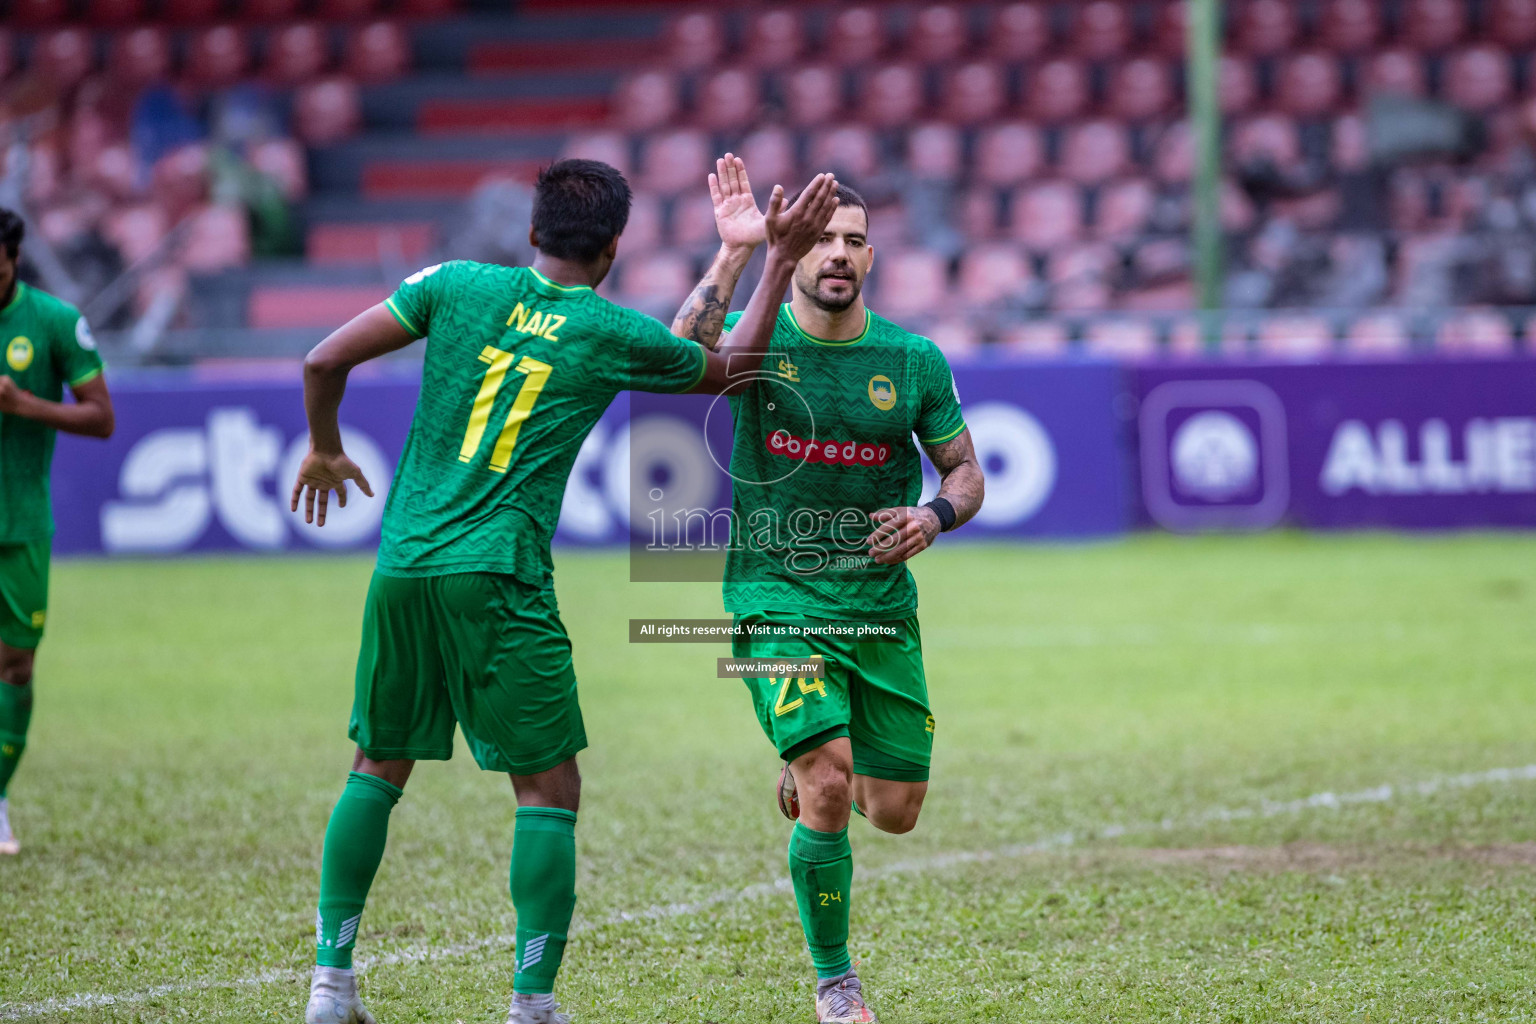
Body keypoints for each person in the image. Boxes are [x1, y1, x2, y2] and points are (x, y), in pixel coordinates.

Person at [290, 158, 840, 1024]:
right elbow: (730, 368)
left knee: (375, 767)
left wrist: (323, 446)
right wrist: (774, 260)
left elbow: (323, 359)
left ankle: (330, 985)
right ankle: (533, 1004)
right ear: (614, 247)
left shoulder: (451, 284)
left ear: (533, 232)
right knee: (547, 792)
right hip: (499, 572)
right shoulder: (605, 331)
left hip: (402, 567)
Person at [670, 159, 985, 1024]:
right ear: (797, 251)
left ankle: (805, 766)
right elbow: (685, 353)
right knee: (833, 787)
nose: (837, 254)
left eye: (853, 241)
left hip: (880, 610)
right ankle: (836, 985)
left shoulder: (913, 360)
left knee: (895, 811)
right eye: (821, 241)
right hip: (775, 598)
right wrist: (737, 253)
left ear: (871, 259)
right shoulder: (756, 337)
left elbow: (963, 470)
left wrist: (934, 516)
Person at [0, 207, 115, 857]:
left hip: (18, 520)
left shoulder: (52, 322)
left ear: (13, 260)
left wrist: (23, 405)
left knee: (14, 664)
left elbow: (101, 418)